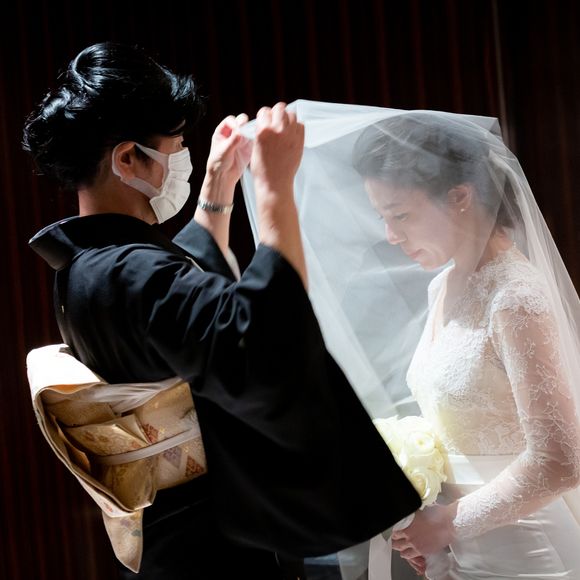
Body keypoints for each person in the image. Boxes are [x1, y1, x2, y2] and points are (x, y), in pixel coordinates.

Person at [22, 46, 421, 579]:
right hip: (208, 547)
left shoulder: (86, 264)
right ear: (128, 159)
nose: (182, 159)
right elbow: (262, 341)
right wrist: (275, 188)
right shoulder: (130, 270)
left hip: (168, 534)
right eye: (175, 146)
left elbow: (178, 305)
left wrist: (217, 187)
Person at [241, 101, 580, 579]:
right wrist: (433, 523)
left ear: (460, 196)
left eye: (399, 214)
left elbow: (561, 460)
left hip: (529, 554)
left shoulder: (515, 296)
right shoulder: (441, 286)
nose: (390, 235)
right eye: (382, 217)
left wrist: (449, 522)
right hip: (463, 552)